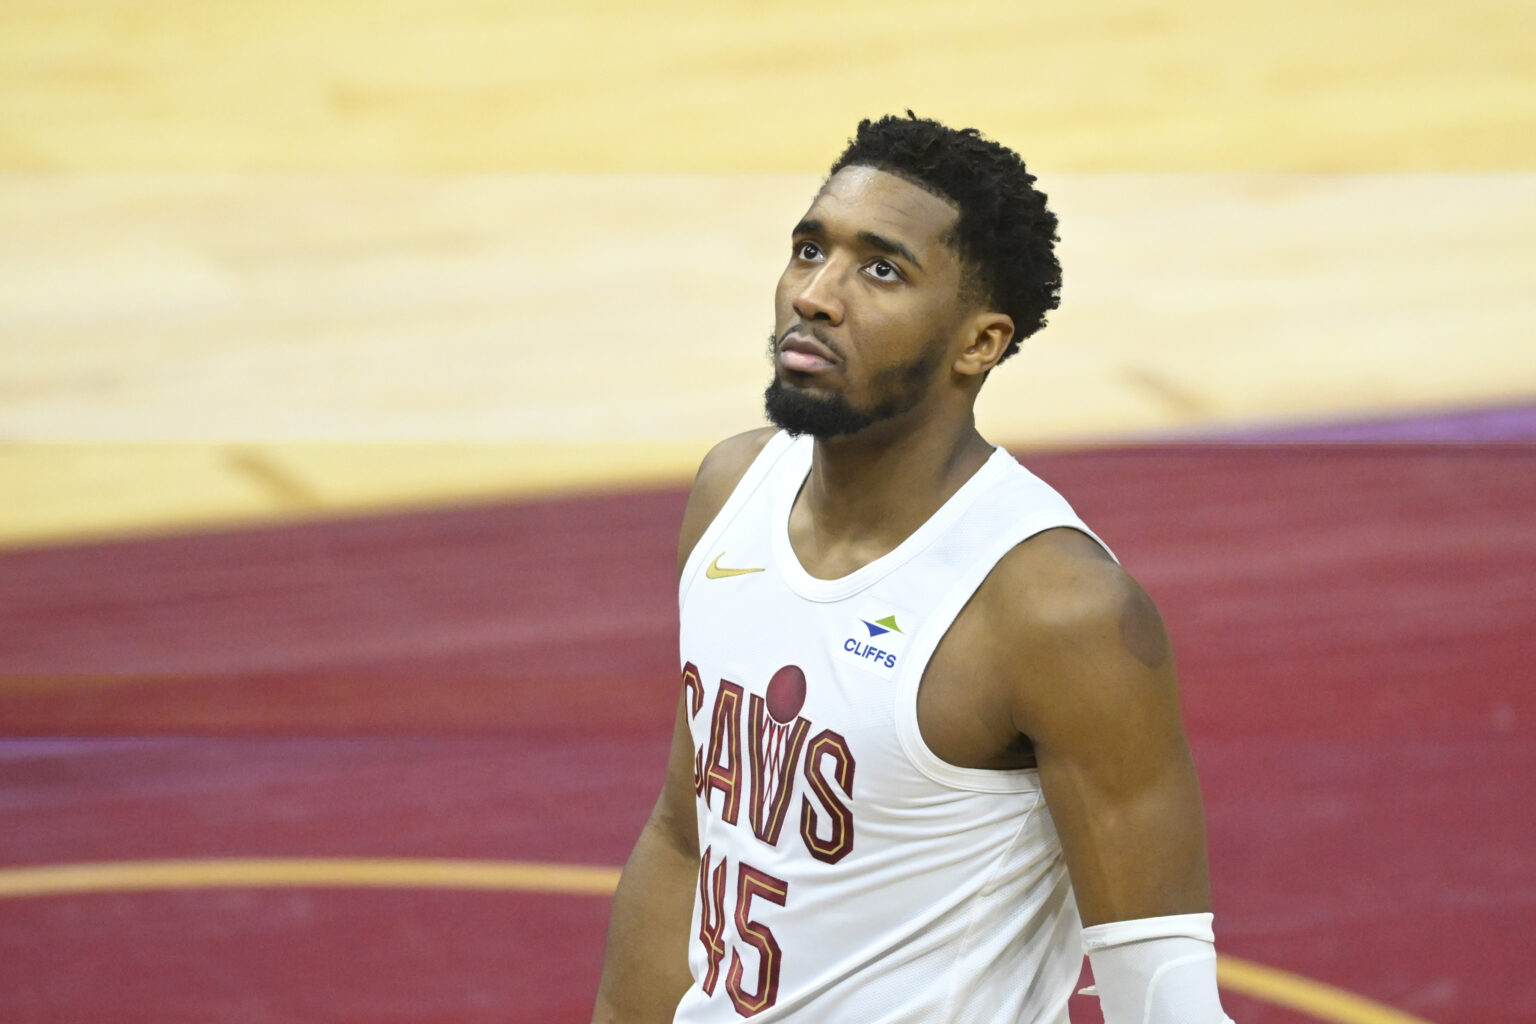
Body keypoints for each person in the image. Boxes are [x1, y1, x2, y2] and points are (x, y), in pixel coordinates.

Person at [591, 113, 1234, 1024]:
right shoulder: (732, 490)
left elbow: (1163, 999)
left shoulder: (1053, 607)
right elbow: (687, 841)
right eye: (809, 250)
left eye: (881, 270)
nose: (817, 295)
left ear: (980, 344)